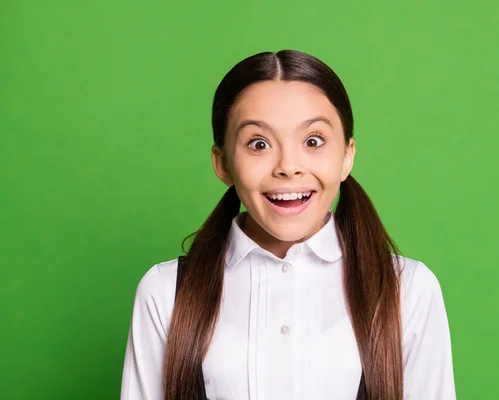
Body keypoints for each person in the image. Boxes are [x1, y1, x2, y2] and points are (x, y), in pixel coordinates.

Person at [120, 50, 456, 400]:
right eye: (259, 144)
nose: (289, 166)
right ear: (223, 164)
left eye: (313, 141)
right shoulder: (164, 293)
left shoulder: (409, 291)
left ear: (346, 156)